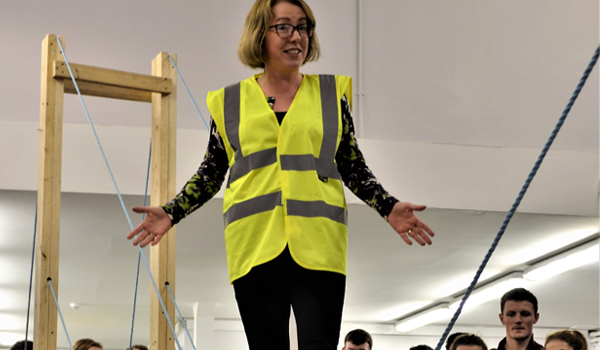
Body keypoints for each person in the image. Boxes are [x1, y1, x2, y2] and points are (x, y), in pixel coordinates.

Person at [127, 0, 435, 349]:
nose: (297, 37)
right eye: (284, 27)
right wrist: (172, 212)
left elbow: (351, 163)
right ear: (261, 34)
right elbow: (212, 170)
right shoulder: (231, 101)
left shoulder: (331, 96)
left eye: (304, 27)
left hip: (320, 247)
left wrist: (387, 206)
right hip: (255, 246)